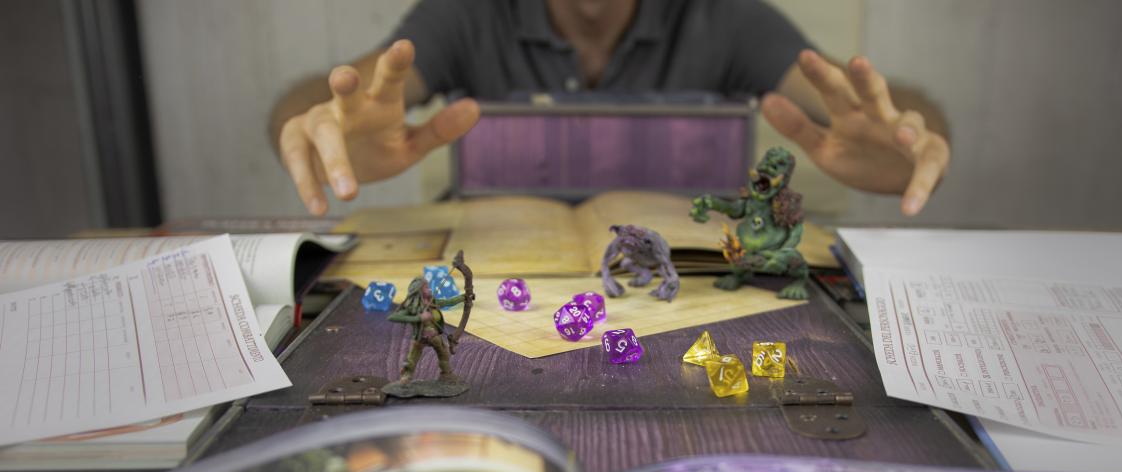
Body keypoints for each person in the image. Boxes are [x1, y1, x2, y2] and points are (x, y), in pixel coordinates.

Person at [270, 0, 951, 219]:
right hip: (492, 286)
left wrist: (906, 137)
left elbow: (868, 102)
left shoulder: (722, 15)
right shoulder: (467, 11)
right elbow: (342, 95)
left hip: (695, 297)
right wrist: (321, 122)